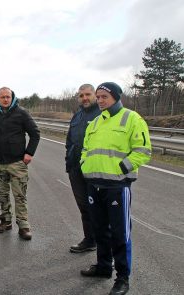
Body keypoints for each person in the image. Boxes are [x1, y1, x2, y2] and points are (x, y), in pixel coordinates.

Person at [80, 82, 151, 295]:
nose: (100, 101)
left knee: (120, 234)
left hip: (117, 187)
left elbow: (143, 150)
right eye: (99, 97)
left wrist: (123, 168)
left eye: (104, 97)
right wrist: (85, 165)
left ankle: (122, 278)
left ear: (117, 97)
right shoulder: (94, 122)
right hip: (94, 185)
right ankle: (103, 267)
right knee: (100, 231)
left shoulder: (132, 118)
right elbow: (85, 149)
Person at [0, 87, 40, 240]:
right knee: (2, 194)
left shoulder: (21, 113)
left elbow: (35, 133)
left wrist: (29, 153)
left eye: (8, 97)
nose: (5, 99)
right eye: (2, 97)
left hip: (17, 163)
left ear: (12, 98)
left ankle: (23, 225)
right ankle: (5, 221)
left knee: (20, 195)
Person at [65, 84, 100, 253]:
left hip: (96, 171)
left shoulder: (102, 114)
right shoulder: (77, 116)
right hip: (76, 170)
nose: (84, 98)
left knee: (100, 209)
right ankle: (90, 240)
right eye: (81, 95)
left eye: (88, 94)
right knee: (84, 207)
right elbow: (69, 141)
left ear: (95, 95)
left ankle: (105, 249)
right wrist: (69, 163)